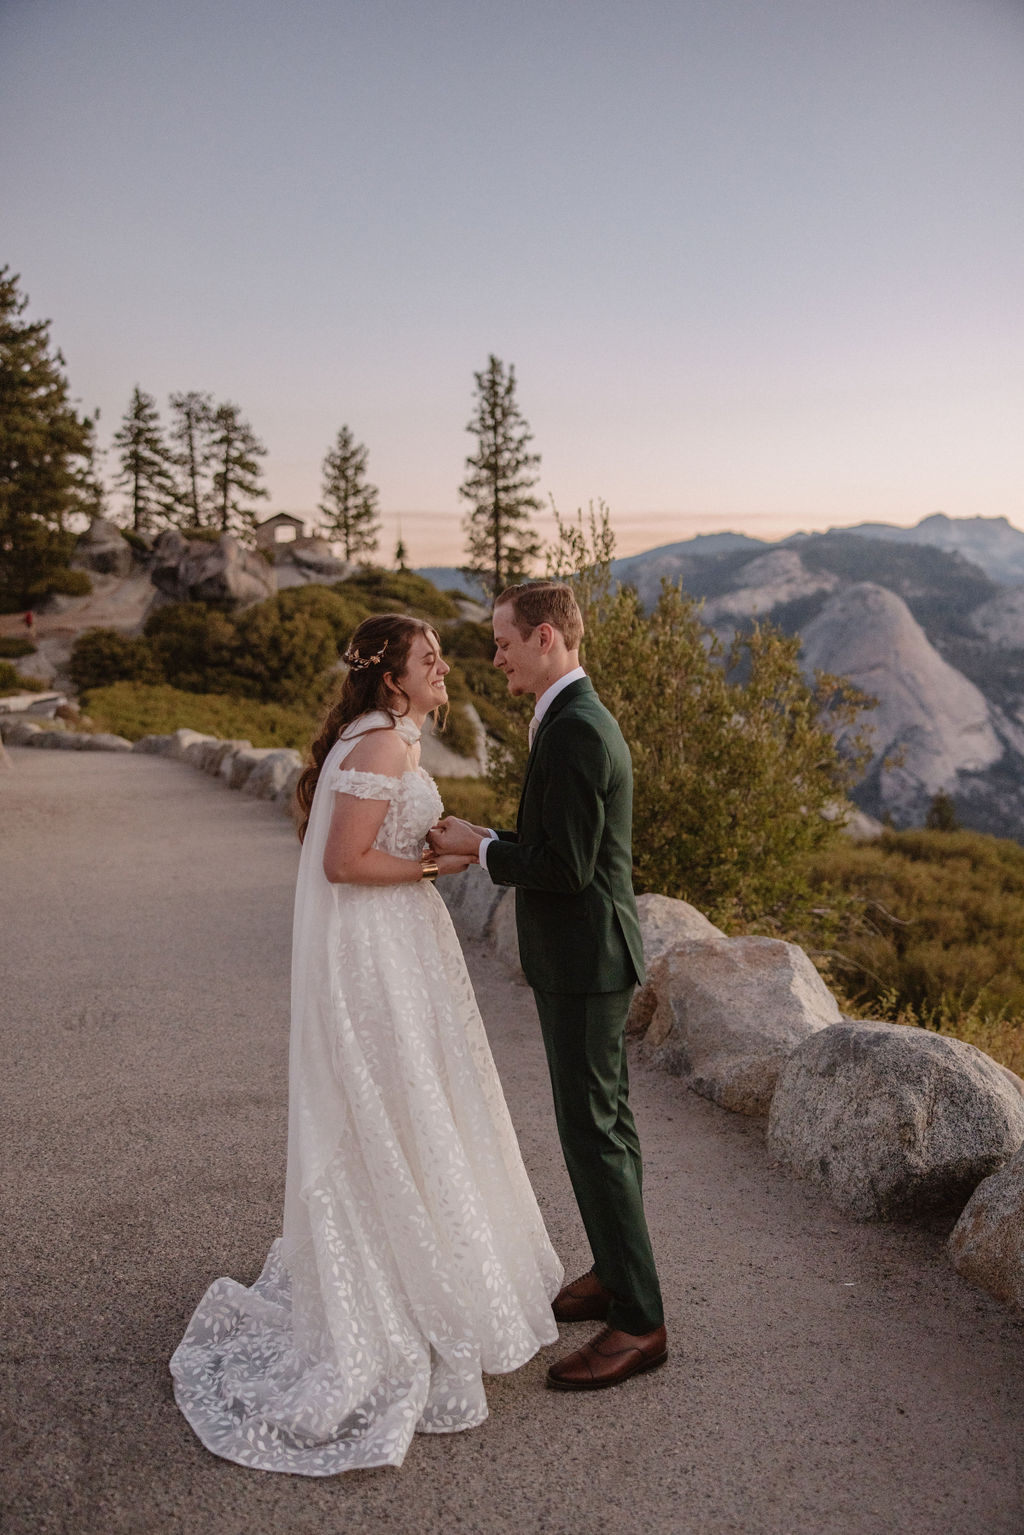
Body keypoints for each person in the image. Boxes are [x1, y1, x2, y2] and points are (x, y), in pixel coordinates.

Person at [171, 614, 563, 1475]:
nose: (446, 672)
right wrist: (436, 868)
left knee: (405, 1104)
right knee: (400, 1107)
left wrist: (431, 845)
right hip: (380, 949)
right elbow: (345, 863)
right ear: (393, 678)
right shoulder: (384, 743)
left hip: (392, 943)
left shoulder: (381, 736)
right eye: (431, 661)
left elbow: (362, 839)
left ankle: (415, 1264)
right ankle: (401, 1294)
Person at [430, 581, 666, 1391]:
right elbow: (566, 844)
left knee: (594, 1131)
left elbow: (564, 867)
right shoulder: (566, 717)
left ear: (545, 641)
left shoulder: (575, 731)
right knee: (598, 1126)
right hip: (585, 956)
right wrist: (489, 839)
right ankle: (612, 1269)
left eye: (503, 642)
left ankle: (639, 1320)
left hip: (589, 959)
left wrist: (483, 848)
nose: (493, 657)